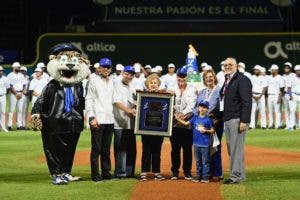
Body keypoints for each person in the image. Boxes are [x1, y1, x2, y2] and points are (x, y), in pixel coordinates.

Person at [221, 57, 252, 184]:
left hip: (237, 119)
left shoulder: (242, 79)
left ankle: (236, 176)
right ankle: (240, 174)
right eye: (225, 65)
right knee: (232, 148)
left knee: (235, 149)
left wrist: (244, 121)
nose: (227, 66)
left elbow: (247, 101)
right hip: (229, 118)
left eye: (230, 64)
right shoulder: (228, 79)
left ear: (236, 66)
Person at [85, 57, 114, 182]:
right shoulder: (93, 81)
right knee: (96, 149)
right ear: (99, 68)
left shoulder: (113, 81)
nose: (106, 69)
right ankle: (95, 174)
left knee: (106, 149)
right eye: (104, 66)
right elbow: (89, 99)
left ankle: (106, 172)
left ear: (111, 69)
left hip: (110, 120)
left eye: (108, 67)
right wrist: (91, 117)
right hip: (98, 119)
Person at [175, 100, 214, 183]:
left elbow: (212, 130)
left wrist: (206, 131)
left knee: (205, 161)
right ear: (198, 108)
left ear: (207, 109)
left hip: (205, 144)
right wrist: (178, 119)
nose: (202, 109)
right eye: (201, 107)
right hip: (196, 143)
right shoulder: (195, 118)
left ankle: (205, 176)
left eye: (204, 107)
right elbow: (186, 123)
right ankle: (198, 175)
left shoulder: (208, 120)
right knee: (198, 161)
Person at [196, 69, 223, 181]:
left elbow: (222, 106)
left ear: (214, 78)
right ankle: (207, 172)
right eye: (206, 77)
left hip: (216, 122)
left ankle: (218, 172)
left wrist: (217, 118)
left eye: (211, 77)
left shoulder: (219, 90)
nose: (209, 79)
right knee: (205, 148)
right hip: (203, 123)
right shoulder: (202, 92)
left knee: (215, 147)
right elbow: (196, 107)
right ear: (204, 79)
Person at [170, 67, 197, 180]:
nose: (181, 78)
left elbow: (192, 104)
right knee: (175, 149)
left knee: (187, 148)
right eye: (180, 76)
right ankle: (175, 171)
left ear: (187, 77)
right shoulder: (171, 88)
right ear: (177, 76)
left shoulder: (192, 89)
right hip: (174, 123)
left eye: (183, 76)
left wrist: (183, 114)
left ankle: (187, 171)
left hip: (187, 123)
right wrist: (176, 114)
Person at [140, 73, 166, 181]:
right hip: (146, 128)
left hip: (159, 128)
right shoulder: (142, 96)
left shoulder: (164, 97)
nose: (153, 84)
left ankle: (156, 172)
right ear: (147, 84)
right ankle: (144, 172)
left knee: (157, 150)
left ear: (158, 84)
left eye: (155, 83)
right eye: (151, 82)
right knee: (146, 150)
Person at [113, 65, 137, 178]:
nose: (129, 76)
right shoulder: (116, 84)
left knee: (131, 149)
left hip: (131, 124)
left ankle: (129, 172)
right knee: (121, 149)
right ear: (123, 73)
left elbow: (135, 103)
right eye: (127, 74)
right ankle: (120, 173)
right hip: (119, 123)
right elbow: (116, 102)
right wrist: (129, 111)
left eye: (131, 74)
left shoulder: (131, 87)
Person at [7, 62, 26, 130]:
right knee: (12, 110)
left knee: (20, 110)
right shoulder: (10, 75)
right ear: (14, 67)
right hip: (13, 94)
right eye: (17, 67)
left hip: (21, 94)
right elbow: (10, 86)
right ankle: (9, 125)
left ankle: (19, 125)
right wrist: (16, 93)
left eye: (19, 67)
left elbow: (24, 84)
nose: (18, 68)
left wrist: (21, 92)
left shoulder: (21, 75)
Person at [249, 65, 267, 129]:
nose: (255, 70)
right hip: (253, 95)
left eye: (256, 69)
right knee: (252, 111)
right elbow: (249, 87)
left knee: (262, 111)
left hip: (261, 95)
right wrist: (252, 95)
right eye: (254, 69)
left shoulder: (263, 77)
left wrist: (260, 96)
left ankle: (263, 125)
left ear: (259, 70)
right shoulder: (252, 77)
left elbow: (265, 87)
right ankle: (251, 125)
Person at [267, 64, 284, 129]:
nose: (272, 70)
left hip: (277, 95)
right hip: (270, 95)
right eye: (271, 69)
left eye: (273, 69)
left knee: (277, 111)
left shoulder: (280, 77)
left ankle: (278, 125)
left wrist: (279, 98)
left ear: (277, 70)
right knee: (270, 111)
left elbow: (281, 89)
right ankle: (271, 124)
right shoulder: (269, 77)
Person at [282, 62, 295, 130]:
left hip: (291, 94)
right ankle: (287, 125)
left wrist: (291, 94)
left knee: (292, 110)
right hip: (285, 94)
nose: (286, 69)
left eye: (287, 68)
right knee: (286, 110)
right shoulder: (283, 76)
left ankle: (292, 125)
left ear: (290, 68)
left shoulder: (293, 75)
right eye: (285, 67)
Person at [286, 65, 300, 130]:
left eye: (299, 70)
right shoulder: (291, 77)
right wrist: (290, 96)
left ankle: (299, 125)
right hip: (293, 95)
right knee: (292, 111)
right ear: (295, 71)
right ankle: (291, 126)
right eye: (297, 70)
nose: (299, 71)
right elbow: (289, 88)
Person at [0, 66, 9, 132]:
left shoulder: (5, 78)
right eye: (0, 71)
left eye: (1, 71)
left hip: (3, 96)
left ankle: (3, 127)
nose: (1, 72)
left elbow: (8, 88)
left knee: (3, 112)